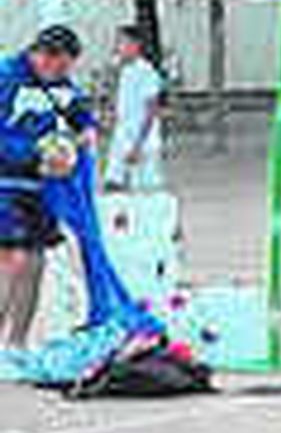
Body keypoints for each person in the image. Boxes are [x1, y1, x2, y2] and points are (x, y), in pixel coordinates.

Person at [0, 26, 96, 350]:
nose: (61, 74)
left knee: (36, 261)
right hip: (6, 184)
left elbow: (80, 115)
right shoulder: (6, 78)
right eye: (58, 66)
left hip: (40, 188)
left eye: (67, 69)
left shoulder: (59, 85)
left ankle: (16, 343)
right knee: (15, 259)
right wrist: (35, 151)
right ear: (42, 55)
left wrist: (82, 134)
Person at [104, 24, 165, 192]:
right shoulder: (123, 71)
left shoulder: (146, 72)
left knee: (145, 194)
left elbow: (152, 110)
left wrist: (138, 145)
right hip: (122, 138)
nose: (117, 48)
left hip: (143, 142)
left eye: (121, 43)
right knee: (113, 186)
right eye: (117, 43)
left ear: (135, 45)